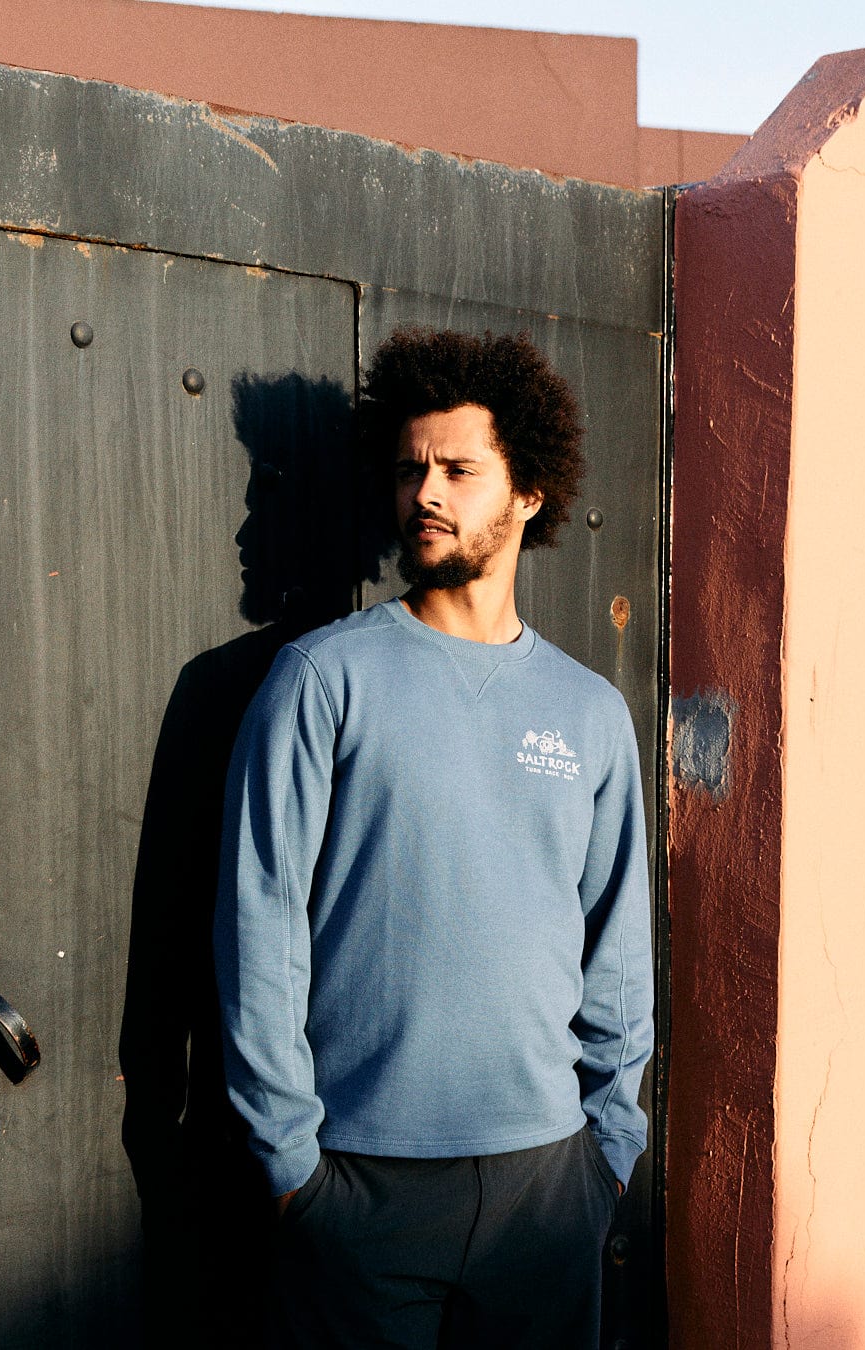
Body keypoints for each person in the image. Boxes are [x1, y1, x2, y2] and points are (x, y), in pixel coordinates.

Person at [214, 327, 654, 1349]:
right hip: (358, 1192)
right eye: (413, 468)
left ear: (529, 492)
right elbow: (259, 923)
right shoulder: (325, 680)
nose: (427, 493)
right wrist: (292, 1168)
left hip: (549, 1186)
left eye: (460, 469)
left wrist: (609, 1149)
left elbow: (618, 945)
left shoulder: (586, 711)